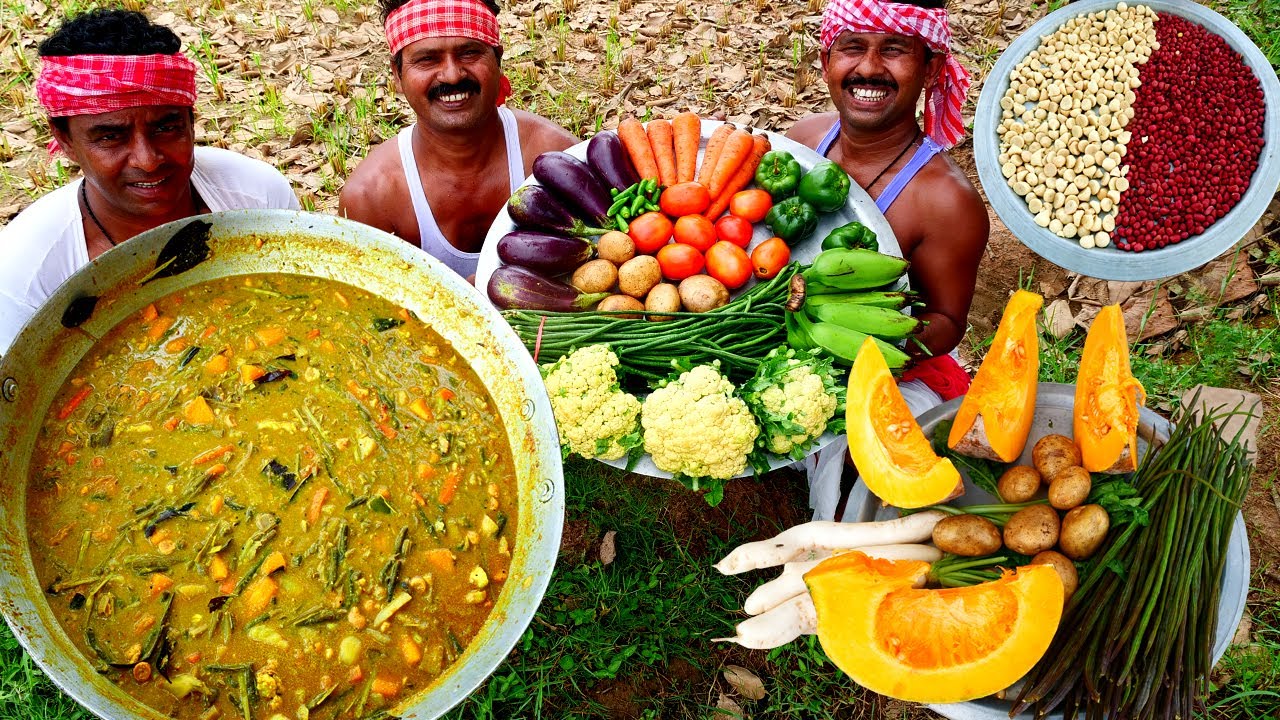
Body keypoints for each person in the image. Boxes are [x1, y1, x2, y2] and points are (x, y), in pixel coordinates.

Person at [787, 0, 990, 521]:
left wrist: (860, 343)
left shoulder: (945, 200)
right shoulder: (804, 141)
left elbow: (946, 323)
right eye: (852, 47)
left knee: (871, 500)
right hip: (779, 336)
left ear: (930, 69)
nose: (870, 68)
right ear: (825, 60)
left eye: (895, 50)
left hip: (890, 369)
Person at [0, 9, 300, 355]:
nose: (147, 159)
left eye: (166, 127)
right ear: (65, 140)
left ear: (191, 121)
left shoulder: (257, 198)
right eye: (111, 136)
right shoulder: (25, 276)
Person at [338, 0, 578, 280]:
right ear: (397, 74)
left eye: (469, 53)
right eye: (427, 59)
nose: (452, 75)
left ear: (497, 59)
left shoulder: (553, 157)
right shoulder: (372, 198)